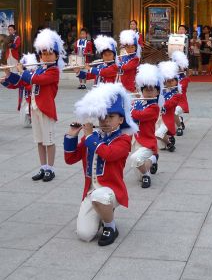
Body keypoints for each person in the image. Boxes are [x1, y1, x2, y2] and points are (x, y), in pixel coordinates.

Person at [64, 83, 136, 246]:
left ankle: (110, 226)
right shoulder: (92, 137)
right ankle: (101, 214)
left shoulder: (123, 140)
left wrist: (89, 137)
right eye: (102, 116)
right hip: (91, 192)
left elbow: (108, 154)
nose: (105, 120)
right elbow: (70, 159)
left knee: (101, 196)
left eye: (111, 117)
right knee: (84, 234)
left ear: (121, 119)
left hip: (112, 190)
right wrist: (71, 136)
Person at [4, 29, 65, 182]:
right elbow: (26, 84)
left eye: (50, 54)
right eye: (44, 54)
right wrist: (8, 77)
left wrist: (23, 71)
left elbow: (37, 80)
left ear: (56, 56)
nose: (46, 56)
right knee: (39, 140)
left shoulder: (54, 71)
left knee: (48, 141)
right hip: (35, 108)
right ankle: (43, 167)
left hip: (46, 110)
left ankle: (51, 169)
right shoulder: (39, 69)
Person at [129, 64, 161, 188]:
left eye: (152, 89)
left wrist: (129, 108)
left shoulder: (154, 107)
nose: (149, 92)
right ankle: (153, 160)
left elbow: (139, 115)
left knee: (136, 159)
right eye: (146, 90)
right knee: (138, 170)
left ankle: (147, 173)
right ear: (142, 91)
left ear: (157, 91)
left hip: (147, 140)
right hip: (135, 139)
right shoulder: (139, 102)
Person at [1, 53, 37, 127]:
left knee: (30, 122)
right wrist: (4, 80)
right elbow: (15, 85)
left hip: (33, 100)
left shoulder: (34, 74)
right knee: (25, 124)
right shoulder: (24, 74)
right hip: (24, 100)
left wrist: (9, 74)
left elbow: (21, 81)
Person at [155, 60, 181, 152]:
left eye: (172, 80)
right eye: (167, 81)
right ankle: (169, 140)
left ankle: (169, 143)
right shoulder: (161, 91)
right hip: (159, 118)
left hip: (167, 119)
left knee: (158, 134)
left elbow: (169, 105)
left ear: (176, 81)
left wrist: (157, 101)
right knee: (161, 146)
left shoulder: (177, 94)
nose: (170, 83)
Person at [171, 50, 190, 136]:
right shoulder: (171, 77)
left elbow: (180, 88)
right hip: (172, 101)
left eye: (180, 66)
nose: (178, 68)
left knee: (174, 112)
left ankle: (179, 127)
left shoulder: (185, 79)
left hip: (181, 102)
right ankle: (179, 119)